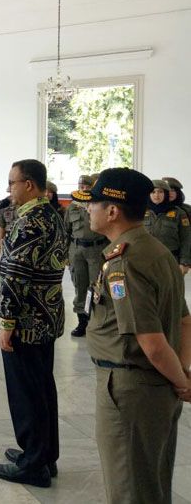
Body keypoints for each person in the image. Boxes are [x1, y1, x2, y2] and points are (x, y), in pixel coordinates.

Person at [84, 168, 191, 504]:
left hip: (130, 388)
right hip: (155, 387)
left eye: (94, 204)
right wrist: (181, 374)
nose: (89, 209)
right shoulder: (157, 251)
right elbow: (185, 322)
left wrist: (182, 383)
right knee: (151, 483)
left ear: (112, 210)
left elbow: (151, 342)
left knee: (130, 489)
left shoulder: (124, 261)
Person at [0, 159, 67, 489]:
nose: (9, 190)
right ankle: (43, 454)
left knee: (26, 393)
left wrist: (6, 323)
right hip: (45, 316)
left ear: (30, 185)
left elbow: (14, 277)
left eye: (13, 183)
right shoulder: (50, 213)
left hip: (26, 321)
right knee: (41, 388)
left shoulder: (30, 222)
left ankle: (33, 463)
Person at [65, 175, 109, 337]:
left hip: (96, 250)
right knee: (79, 285)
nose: (83, 189)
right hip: (76, 250)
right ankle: (82, 321)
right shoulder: (72, 207)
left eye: (87, 186)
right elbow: (66, 231)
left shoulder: (100, 206)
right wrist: (65, 254)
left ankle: (97, 321)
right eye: (81, 186)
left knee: (97, 286)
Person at [145, 179, 191, 273]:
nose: (156, 195)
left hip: (171, 260)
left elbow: (186, 239)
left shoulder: (179, 213)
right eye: (153, 192)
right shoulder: (141, 212)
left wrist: (184, 262)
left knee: (171, 287)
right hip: (146, 260)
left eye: (160, 192)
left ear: (166, 194)